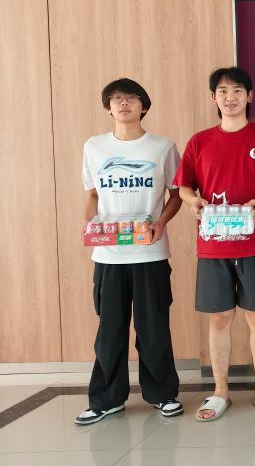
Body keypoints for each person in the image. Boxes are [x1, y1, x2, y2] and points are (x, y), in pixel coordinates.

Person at [175, 67, 255, 421]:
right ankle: (220, 391)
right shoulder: (199, 141)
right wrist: (193, 202)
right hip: (214, 244)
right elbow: (184, 186)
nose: (230, 97)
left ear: (249, 96)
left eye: (237, 90)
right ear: (214, 97)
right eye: (223, 91)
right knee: (220, 318)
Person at [75, 78, 183, 425]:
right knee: (110, 331)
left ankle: (163, 394)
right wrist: (88, 224)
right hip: (108, 256)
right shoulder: (94, 147)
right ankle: (106, 399)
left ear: (143, 106)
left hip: (150, 253)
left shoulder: (162, 147)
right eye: (117, 99)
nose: (123, 104)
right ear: (108, 108)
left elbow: (177, 194)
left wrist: (161, 223)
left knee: (154, 330)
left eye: (131, 98)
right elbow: (93, 194)